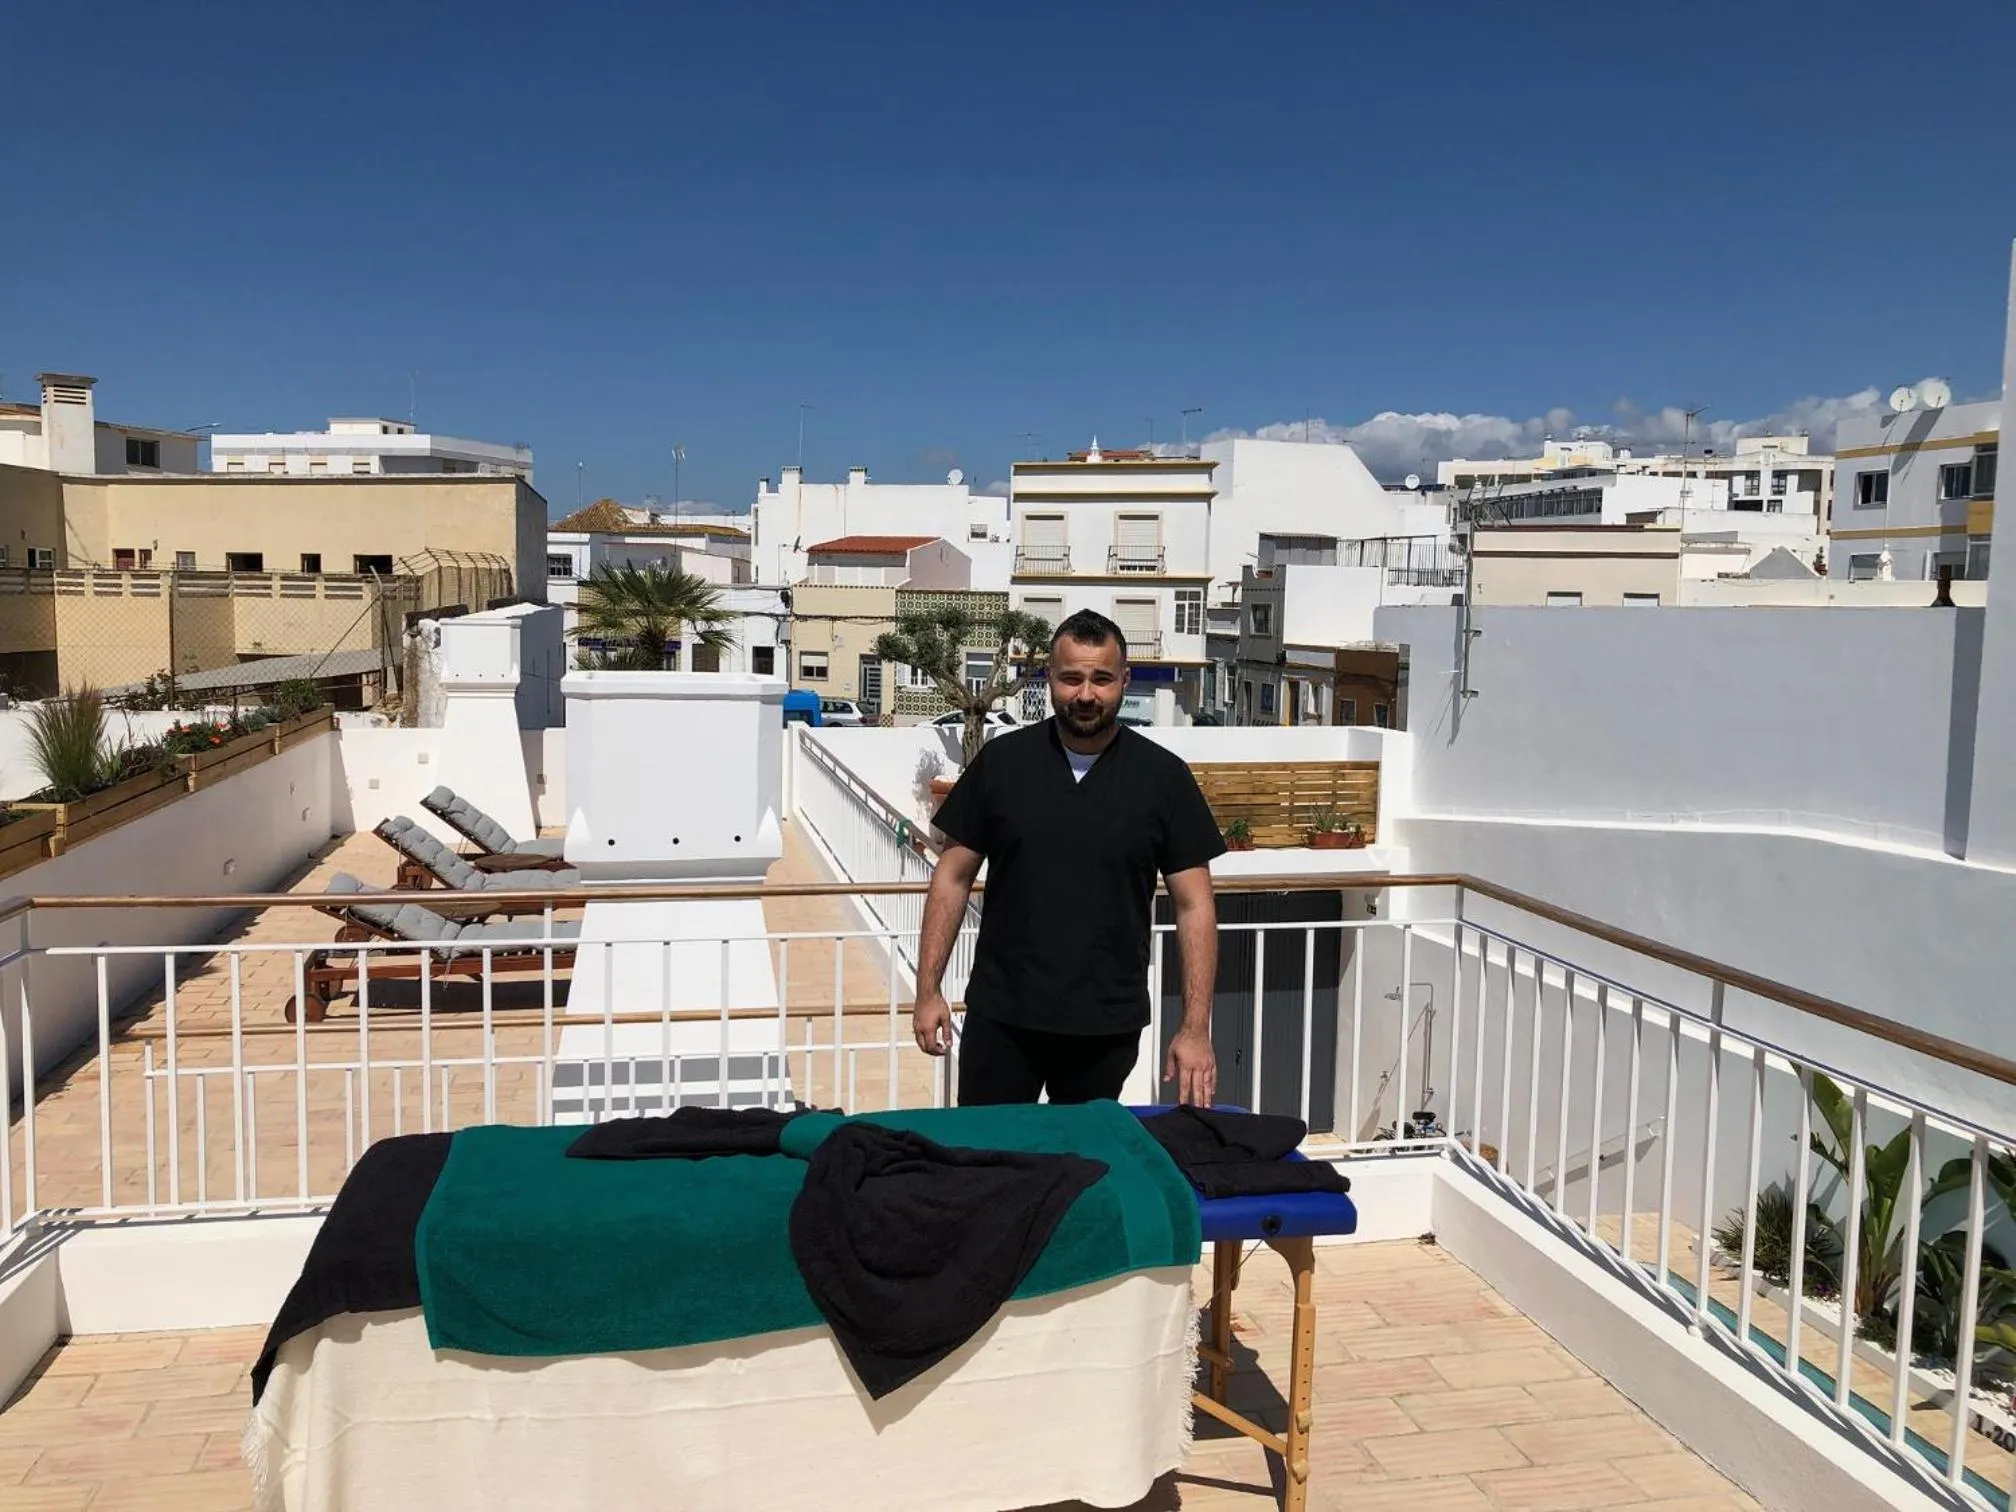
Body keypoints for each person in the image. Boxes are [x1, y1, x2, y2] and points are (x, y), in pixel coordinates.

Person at [912, 608, 1225, 1106]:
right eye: (1071, 678)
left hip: (1105, 1027)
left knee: (1083, 1152)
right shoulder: (1002, 763)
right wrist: (928, 990)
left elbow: (1195, 905)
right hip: (1002, 1018)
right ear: (1049, 677)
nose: (1085, 694)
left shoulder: (1163, 778)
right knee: (987, 1151)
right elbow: (952, 877)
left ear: (1124, 680)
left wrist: (1194, 1028)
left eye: (1101, 679)